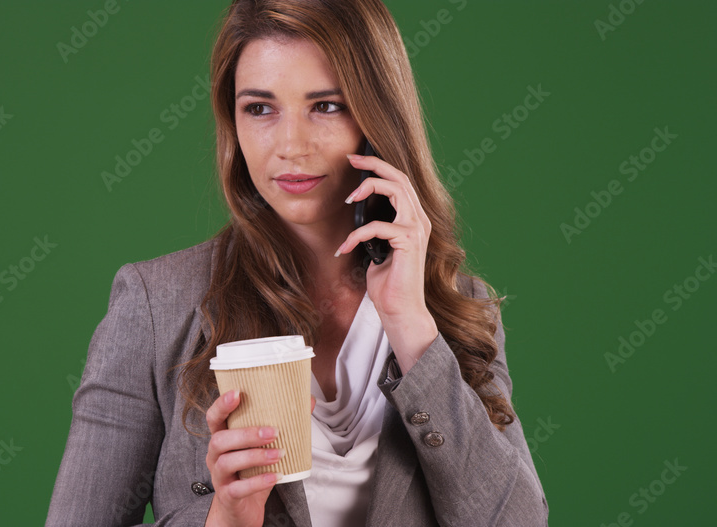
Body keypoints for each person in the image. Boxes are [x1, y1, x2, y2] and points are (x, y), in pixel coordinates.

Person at [45, 0, 548, 525]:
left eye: (326, 106)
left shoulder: (455, 305)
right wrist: (228, 516)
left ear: (377, 117)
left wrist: (411, 326)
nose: (290, 146)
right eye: (260, 109)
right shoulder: (154, 306)